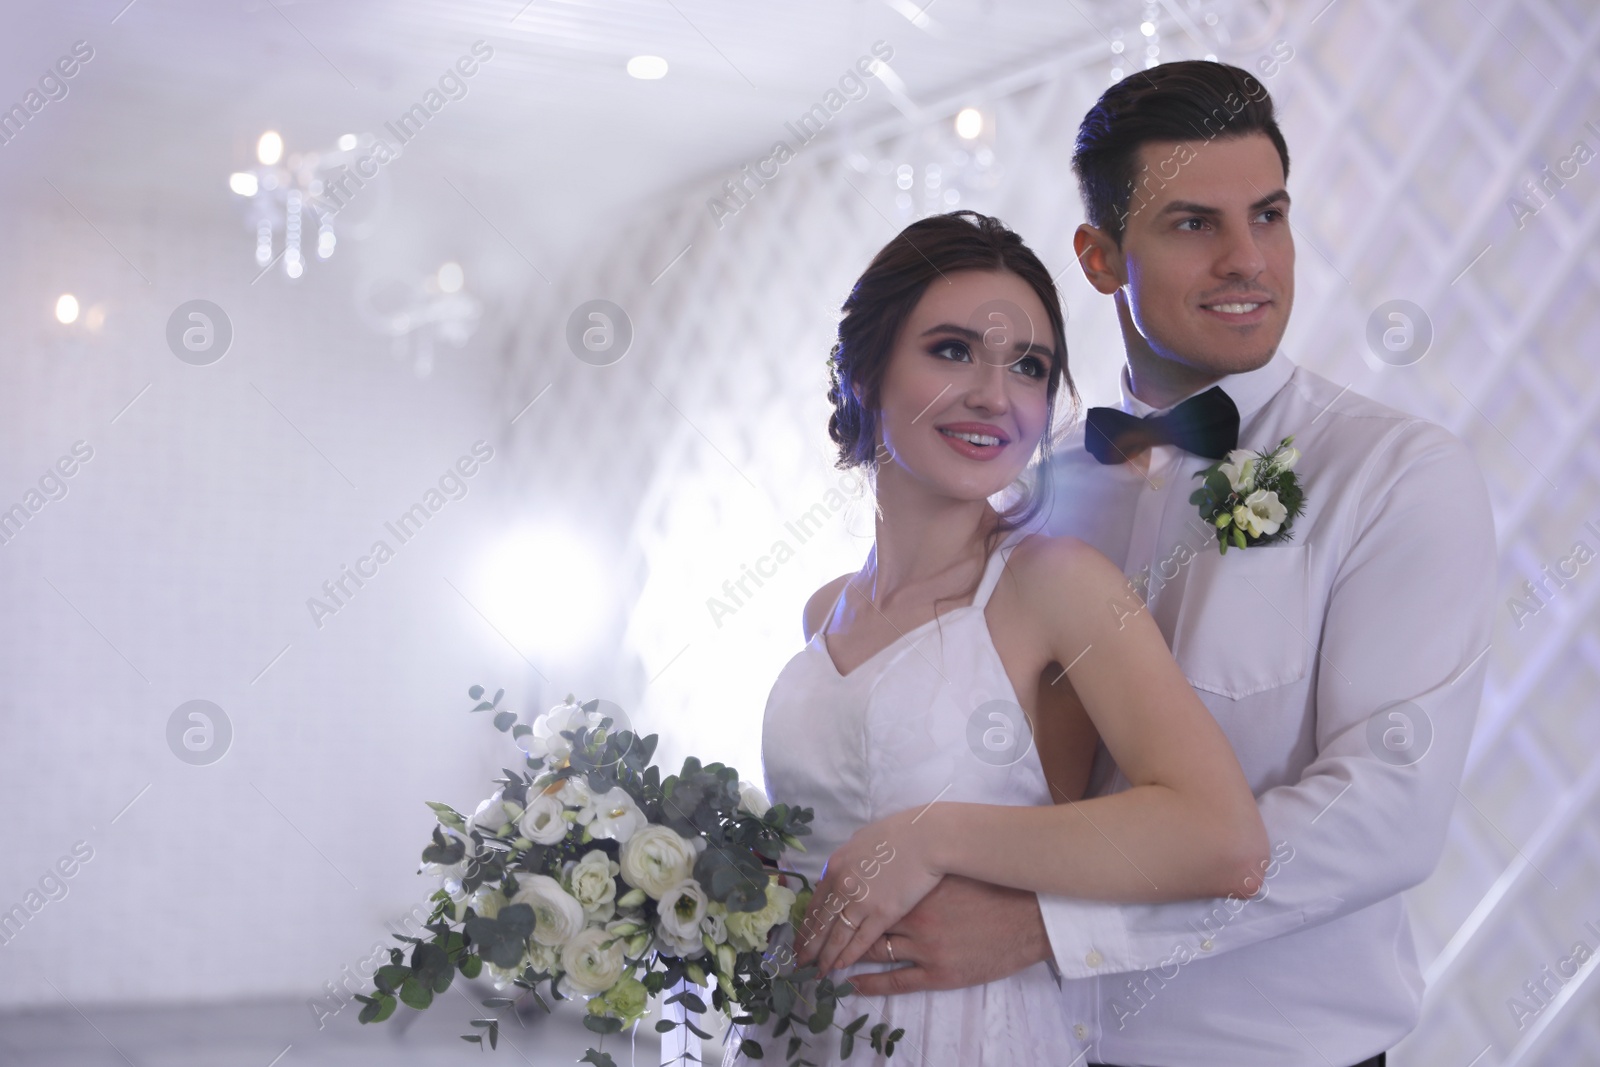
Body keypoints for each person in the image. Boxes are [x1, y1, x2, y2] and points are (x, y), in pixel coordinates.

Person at [839, 62, 1497, 1067]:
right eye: (1195, 224)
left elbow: (1385, 812)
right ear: (1100, 259)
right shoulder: (1024, 492)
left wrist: (1049, 924)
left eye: (1268, 216)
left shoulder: (1396, 475)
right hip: (1023, 1039)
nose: (1248, 260)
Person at [728, 209, 1273, 1066]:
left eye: (1029, 366)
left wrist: (935, 835)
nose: (994, 394)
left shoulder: (1051, 584)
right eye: (951, 350)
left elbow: (1224, 840)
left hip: (965, 1035)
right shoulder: (823, 608)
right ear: (863, 371)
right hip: (797, 1032)